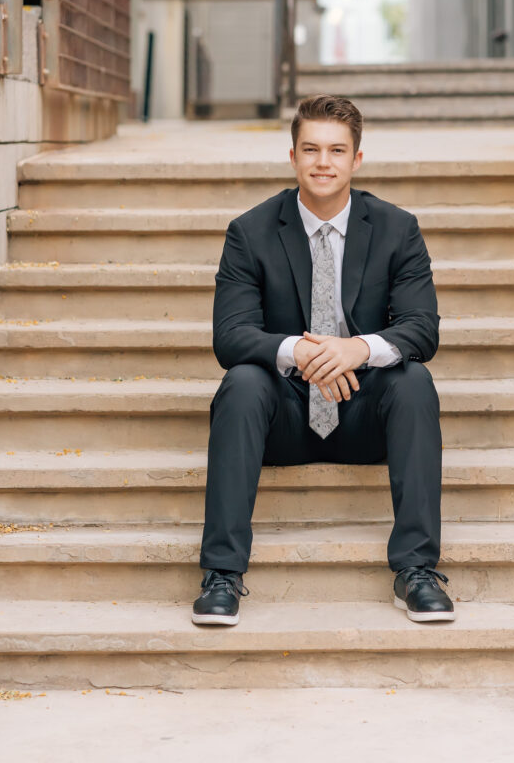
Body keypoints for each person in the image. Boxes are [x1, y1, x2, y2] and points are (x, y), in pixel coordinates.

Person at [192, 95, 454, 625]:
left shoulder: (397, 228)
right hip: (282, 419)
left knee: (414, 380)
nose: (323, 162)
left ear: (357, 160)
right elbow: (231, 336)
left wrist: (355, 349)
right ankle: (222, 574)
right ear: (292, 156)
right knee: (242, 382)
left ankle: (416, 571)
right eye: (310, 149)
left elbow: (422, 328)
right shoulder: (251, 231)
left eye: (337, 150)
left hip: (364, 414)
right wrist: (302, 352)